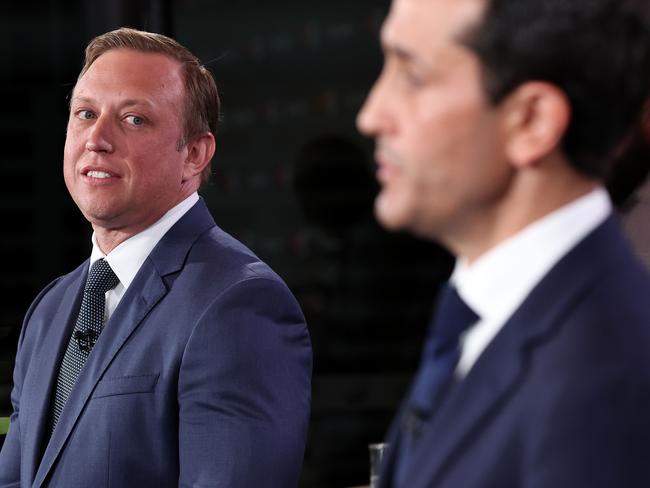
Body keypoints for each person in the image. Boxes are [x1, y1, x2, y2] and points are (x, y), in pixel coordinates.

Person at [0, 27, 311, 488]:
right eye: (85, 113)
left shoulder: (239, 303)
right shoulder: (50, 309)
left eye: (134, 120)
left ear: (195, 155)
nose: (96, 139)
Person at [356, 0, 650, 487]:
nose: (371, 116)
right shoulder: (500, 314)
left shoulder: (604, 375)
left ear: (531, 120)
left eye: (412, 76)